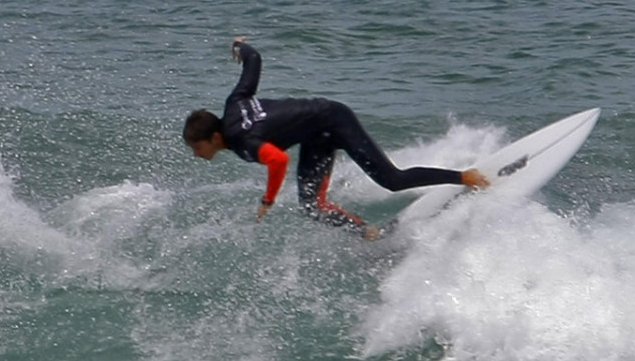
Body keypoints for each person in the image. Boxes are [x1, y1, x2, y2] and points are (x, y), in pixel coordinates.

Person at [183, 37, 489, 240]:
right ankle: (369, 233)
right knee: (312, 206)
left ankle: (466, 177)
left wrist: (268, 200)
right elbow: (254, 60)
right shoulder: (234, 102)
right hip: (316, 136)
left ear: (214, 137)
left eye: (198, 147)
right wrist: (240, 46)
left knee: (392, 179)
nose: (197, 154)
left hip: (335, 120)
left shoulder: (241, 140)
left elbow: (278, 160)